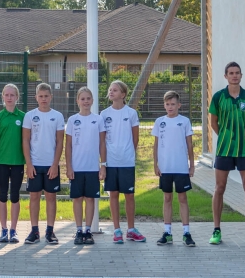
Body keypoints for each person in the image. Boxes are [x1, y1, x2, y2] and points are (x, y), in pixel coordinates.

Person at [209, 62, 245, 246]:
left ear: (241, 75)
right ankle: (216, 230)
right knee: (219, 188)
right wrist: (228, 137)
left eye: (237, 73)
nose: (234, 76)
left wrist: (242, 137)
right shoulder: (218, 97)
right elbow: (214, 123)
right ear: (225, 76)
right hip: (224, 149)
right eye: (231, 73)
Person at [100, 80, 145, 243]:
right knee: (113, 195)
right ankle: (117, 230)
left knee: (129, 195)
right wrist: (103, 163)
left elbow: (135, 138)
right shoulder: (104, 114)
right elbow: (102, 141)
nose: (111, 92)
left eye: (115, 90)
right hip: (111, 162)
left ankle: (131, 230)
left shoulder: (131, 113)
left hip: (127, 162)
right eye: (110, 90)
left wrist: (127, 153)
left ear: (123, 94)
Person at [23, 83, 64, 245]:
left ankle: (50, 231)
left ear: (51, 97)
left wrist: (55, 165)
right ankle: (34, 231)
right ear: (36, 98)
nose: (43, 99)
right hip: (35, 163)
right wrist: (29, 164)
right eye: (40, 96)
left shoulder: (58, 116)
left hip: (51, 165)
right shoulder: (30, 116)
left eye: (46, 96)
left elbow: (60, 142)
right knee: (34, 197)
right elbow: (25, 140)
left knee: (51, 197)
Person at [152, 90, 195, 247]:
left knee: (182, 198)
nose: (170, 107)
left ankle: (186, 233)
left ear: (179, 105)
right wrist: (155, 164)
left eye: (173, 104)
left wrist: (192, 164)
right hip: (165, 168)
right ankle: (168, 232)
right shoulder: (159, 122)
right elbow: (155, 145)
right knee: (167, 198)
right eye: (167, 104)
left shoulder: (184, 121)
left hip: (181, 167)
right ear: (164, 105)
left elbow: (190, 144)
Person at [65, 86, 103, 246]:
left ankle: (88, 230)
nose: (86, 101)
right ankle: (79, 230)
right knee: (78, 199)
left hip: (93, 167)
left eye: (88, 99)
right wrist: (69, 166)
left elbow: (102, 143)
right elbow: (68, 146)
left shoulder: (98, 119)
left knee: (90, 199)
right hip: (77, 167)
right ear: (77, 101)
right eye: (83, 99)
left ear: (92, 101)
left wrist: (103, 165)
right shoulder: (73, 120)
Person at [0, 83, 25, 244]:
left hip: (18, 162)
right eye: (7, 95)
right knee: (2, 194)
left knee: (15, 195)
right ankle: (3, 230)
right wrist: (5, 148)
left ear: (17, 97)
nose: (9, 98)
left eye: (12, 95)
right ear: (3, 97)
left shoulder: (23, 117)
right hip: (3, 161)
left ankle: (14, 229)